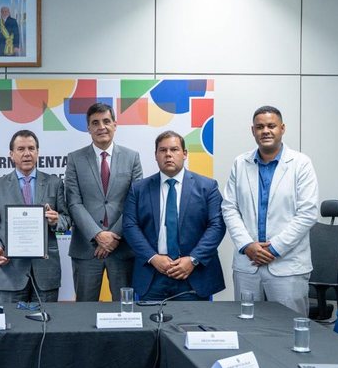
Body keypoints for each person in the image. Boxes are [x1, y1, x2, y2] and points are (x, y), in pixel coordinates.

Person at [222, 106, 319, 315]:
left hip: (287, 266)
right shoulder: (240, 163)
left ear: (282, 128)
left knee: (288, 331)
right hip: (248, 265)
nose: (265, 131)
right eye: (260, 127)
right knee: (246, 328)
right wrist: (247, 245)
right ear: (253, 131)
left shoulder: (301, 164)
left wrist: (273, 249)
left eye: (271, 126)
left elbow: (308, 213)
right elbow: (229, 208)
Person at [122, 130, 226, 301]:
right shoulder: (139, 189)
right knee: (150, 326)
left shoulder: (207, 187)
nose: (168, 155)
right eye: (163, 150)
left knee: (194, 327)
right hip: (152, 275)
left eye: (174, 149)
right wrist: (153, 257)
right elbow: (130, 226)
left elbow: (217, 226)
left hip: (193, 275)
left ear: (184, 154)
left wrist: (193, 259)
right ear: (155, 155)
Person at [0, 130, 71, 304]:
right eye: (21, 149)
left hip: (46, 272)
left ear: (38, 152)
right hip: (10, 271)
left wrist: (56, 220)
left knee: (47, 327)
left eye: (31, 148)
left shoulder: (55, 183)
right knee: (12, 327)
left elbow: (67, 220)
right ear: (11, 154)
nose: (27, 153)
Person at [65, 102, 143, 301]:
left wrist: (114, 236)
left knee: (125, 310)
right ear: (88, 128)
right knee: (84, 310)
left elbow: (135, 202)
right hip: (86, 248)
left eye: (106, 121)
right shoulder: (75, 159)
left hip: (122, 247)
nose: (102, 127)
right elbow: (74, 202)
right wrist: (98, 235)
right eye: (95, 123)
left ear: (115, 125)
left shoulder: (132, 157)